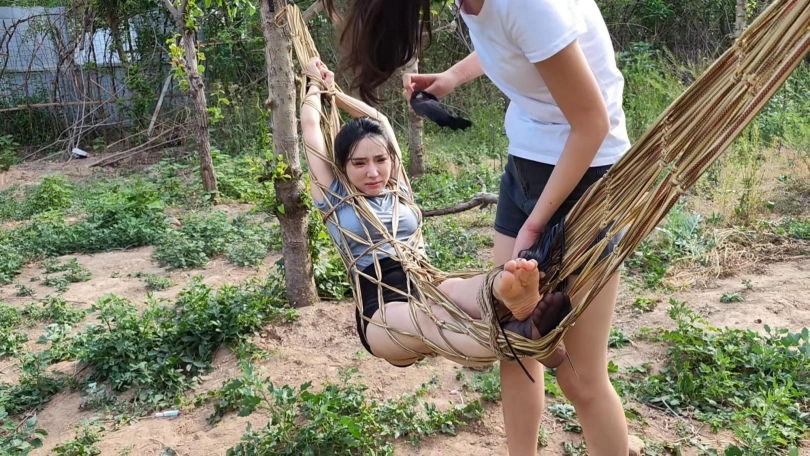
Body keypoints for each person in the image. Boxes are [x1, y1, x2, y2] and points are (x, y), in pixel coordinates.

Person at [322, 0, 631, 454]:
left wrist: (535, 224)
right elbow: (512, 41)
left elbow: (592, 122)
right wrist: (453, 76)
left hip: (582, 177)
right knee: (514, 347)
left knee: (580, 378)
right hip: (525, 165)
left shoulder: (530, 4)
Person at [300, 56, 572, 371]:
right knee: (433, 319)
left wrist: (336, 93)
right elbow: (310, 128)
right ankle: (524, 337)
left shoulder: (398, 188)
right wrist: (314, 85)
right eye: (359, 164)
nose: (373, 172)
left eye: (380, 160)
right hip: (382, 313)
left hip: (429, 284)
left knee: (461, 286)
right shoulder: (335, 198)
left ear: (391, 159)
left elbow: (379, 120)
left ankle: (511, 295)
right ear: (343, 167)